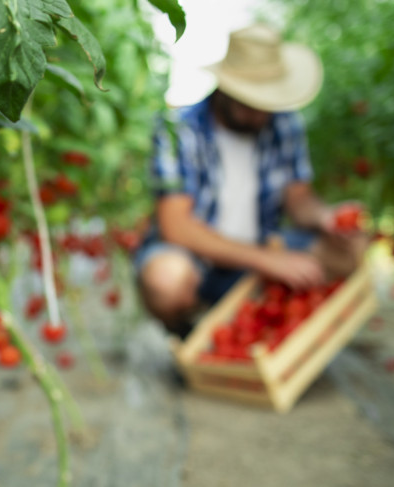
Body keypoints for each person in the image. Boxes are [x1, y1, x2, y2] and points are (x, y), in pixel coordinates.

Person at [135, 23, 367, 338]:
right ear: (226, 89)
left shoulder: (283, 124)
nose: (261, 114)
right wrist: (269, 260)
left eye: (267, 104)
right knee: (165, 280)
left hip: (262, 249)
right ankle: (190, 332)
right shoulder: (178, 129)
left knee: (352, 248)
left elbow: (299, 200)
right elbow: (176, 226)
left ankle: (269, 322)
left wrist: (325, 217)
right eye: (250, 103)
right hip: (200, 260)